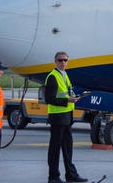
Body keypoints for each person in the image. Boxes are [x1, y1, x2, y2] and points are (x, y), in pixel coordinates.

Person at [45, 52, 87, 183]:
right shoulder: (53, 76)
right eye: (60, 60)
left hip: (67, 117)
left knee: (68, 147)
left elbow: (66, 93)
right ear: (55, 61)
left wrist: (74, 97)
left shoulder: (64, 75)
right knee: (55, 149)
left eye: (65, 60)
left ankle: (71, 174)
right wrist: (67, 100)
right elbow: (49, 99)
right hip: (58, 117)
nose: (63, 62)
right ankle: (53, 177)